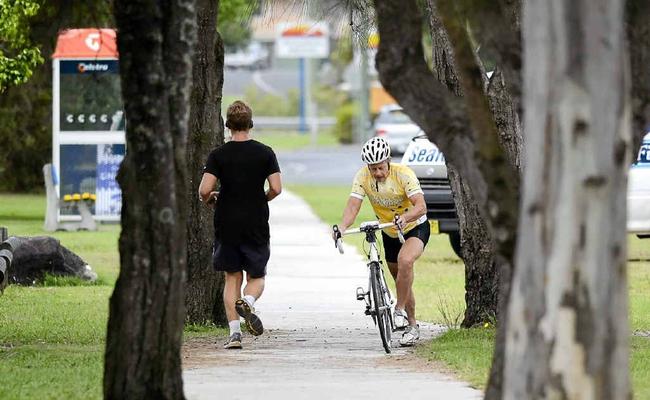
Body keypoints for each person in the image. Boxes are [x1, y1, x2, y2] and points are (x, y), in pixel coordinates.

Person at [198, 100, 282, 349]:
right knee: (256, 276)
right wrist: (262, 198)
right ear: (251, 124)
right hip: (255, 222)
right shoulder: (265, 152)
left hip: (226, 223)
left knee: (231, 277)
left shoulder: (218, 155)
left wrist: (212, 198)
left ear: (228, 126)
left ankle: (234, 334)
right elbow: (276, 188)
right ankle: (248, 301)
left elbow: (204, 190)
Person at [336, 137, 429, 347]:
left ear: (388, 161)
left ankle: (399, 311)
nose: (377, 173)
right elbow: (353, 206)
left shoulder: (403, 174)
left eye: (380, 168)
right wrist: (342, 227)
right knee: (400, 280)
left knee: (405, 261)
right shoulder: (362, 177)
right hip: (389, 231)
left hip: (414, 227)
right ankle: (412, 326)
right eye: (372, 169)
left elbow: (421, 206)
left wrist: (405, 218)